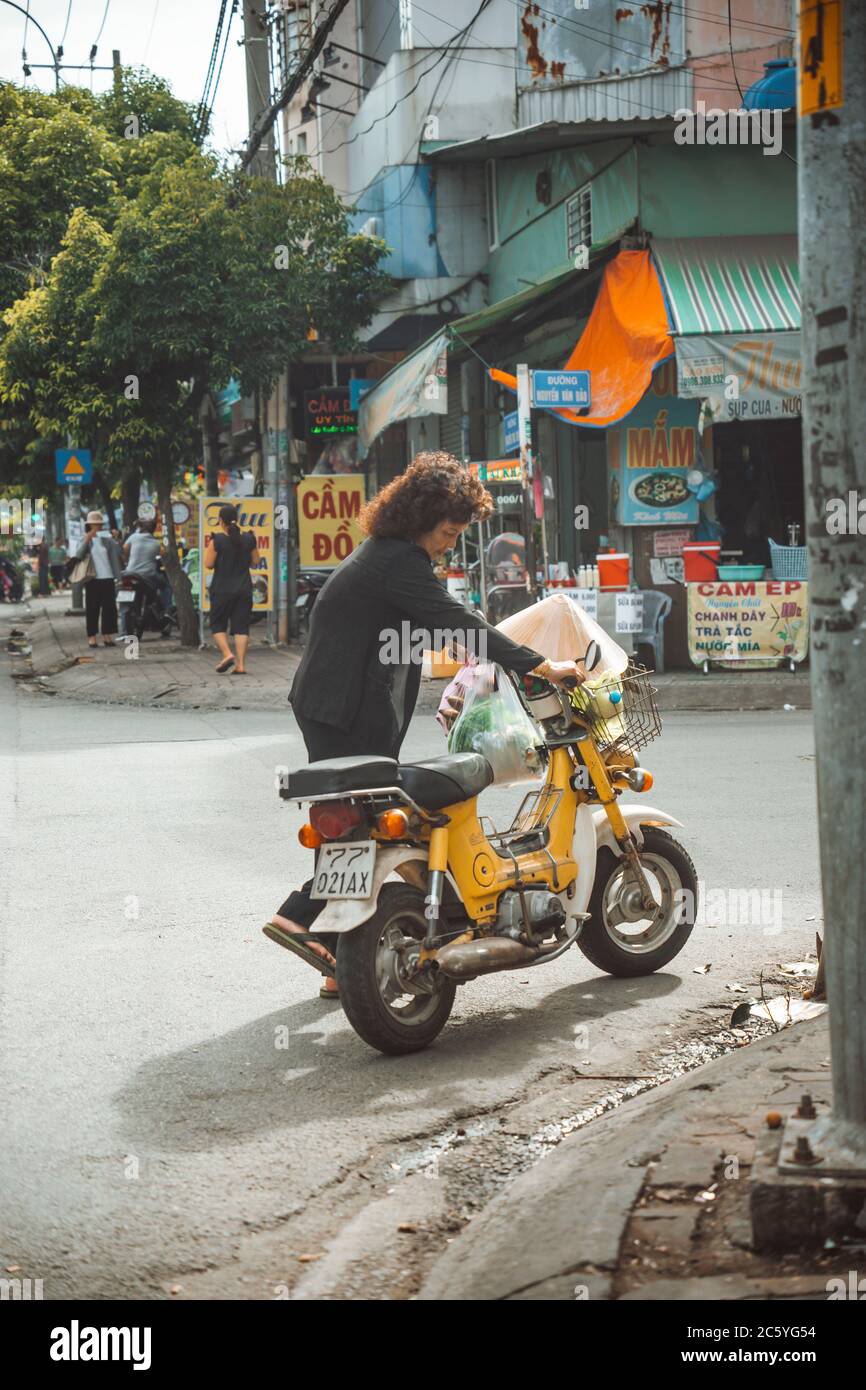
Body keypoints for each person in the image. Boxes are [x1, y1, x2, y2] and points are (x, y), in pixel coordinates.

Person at [266, 451, 583, 1000]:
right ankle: (302, 919)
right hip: (347, 705)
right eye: (447, 532)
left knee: (355, 820)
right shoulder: (398, 562)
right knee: (367, 821)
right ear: (419, 521)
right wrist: (537, 663)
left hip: (334, 700)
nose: (448, 544)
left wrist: (475, 668)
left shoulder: (387, 556)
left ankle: (341, 960)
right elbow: (457, 620)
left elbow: (434, 625)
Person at [203, 504, 259, 674]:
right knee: (241, 626)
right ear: (237, 519)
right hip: (244, 589)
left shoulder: (217, 540)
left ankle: (227, 654)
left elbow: (208, 564)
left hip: (221, 589)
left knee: (217, 624)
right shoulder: (249, 539)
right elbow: (256, 561)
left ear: (220, 520)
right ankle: (240, 665)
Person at [76, 510, 122, 647]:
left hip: (107, 577)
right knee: (92, 608)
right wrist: (87, 540)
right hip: (92, 579)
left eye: (99, 524)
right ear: (89, 525)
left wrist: (116, 538)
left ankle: (107, 635)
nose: (97, 527)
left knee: (109, 609)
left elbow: (119, 552)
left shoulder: (106, 540)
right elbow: (78, 555)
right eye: (94, 524)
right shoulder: (84, 539)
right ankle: (91, 636)